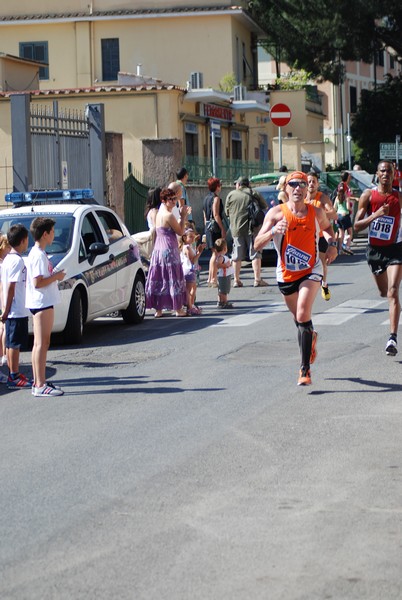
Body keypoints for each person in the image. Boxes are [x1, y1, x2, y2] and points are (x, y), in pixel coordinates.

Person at [254, 171, 338, 386]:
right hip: (286, 274)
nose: (298, 188)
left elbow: (328, 229)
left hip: (311, 270)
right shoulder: (275, 214)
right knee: (300, 321)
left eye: (302, 184)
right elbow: (256, 245)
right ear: (286, 189)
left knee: (302, 312)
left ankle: (304, 370)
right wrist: (273, 231)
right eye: (294, 184)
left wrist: (332, 245)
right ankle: (311, 337)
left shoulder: (316, 212)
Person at [354, 160, 402, 356]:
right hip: (375, 251)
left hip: (396, 249)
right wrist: (376, 215)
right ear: (377, 174)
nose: (386, 174)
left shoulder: (399, 196)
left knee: (393, 291)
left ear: (394, 174)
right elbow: (356, 226)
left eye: (389, 171)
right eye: (383, 171)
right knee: (383, 292)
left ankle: (392, 338)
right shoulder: (368, 195)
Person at [25, 217, 66, 396]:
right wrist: (56, 277)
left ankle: (38, 381)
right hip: (42, 303)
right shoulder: (38, 255)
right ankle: (40, 384)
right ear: (45, 234)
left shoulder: (38, 253)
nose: (54, 235)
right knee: (42, 343)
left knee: (39, 343)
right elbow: (38, 282)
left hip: (41, 302)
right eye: (52, 232)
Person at [145, 187, 190, 317]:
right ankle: (178, 309)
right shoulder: (168, 215)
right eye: (170, 199)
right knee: (172, 278)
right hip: (169, 250)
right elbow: (180, 232)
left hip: (158, 250)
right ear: (163, 200)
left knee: (160, 277)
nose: (173, 201)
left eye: (174, 198)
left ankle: (158, 310)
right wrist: (183, 216)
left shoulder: (158, 213)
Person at [225, 176, 268, 288]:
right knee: (255, 253)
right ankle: (257, 279)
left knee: (236, 255)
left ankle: (236, 280)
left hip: (236, 229)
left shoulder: (231, 195)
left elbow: (227, 212)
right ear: (247, 184)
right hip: (252, 228)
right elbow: (264, 206)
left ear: (239, 185)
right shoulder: (254, 193)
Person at [1, 226, 29, 387]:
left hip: (12, 309)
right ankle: (14, 375)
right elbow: (11, 287)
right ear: (23, 240)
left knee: (12, 343)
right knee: (14, 345)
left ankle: (14, 373)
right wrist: (6, 310)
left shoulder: (8, 260)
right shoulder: (17, 261)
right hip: (15, 310)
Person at [306, 171, 338, 300]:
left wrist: (319, 215)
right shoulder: (301, 198)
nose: (311, 184)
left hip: (320, 236)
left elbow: (333, 214)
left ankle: (324, 285)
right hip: (306, 236)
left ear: (318, 184)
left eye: (314, 181)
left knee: (322, 262)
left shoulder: (322, 197)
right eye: (309, 181)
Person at [203, 177, 226, 287]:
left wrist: (206, 228)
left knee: (213, 253)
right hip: (215, 228)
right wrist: (222, 228)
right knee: (215, 253)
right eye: (219, 184)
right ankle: (213, 279)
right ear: (217, 186)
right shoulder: (216, 199)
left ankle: (210, 278)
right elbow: (216, 214)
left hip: (208, 227)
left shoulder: (206, 198)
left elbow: (204, 215)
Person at [179, 229, 205, 315]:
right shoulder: (186, 248)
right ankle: (189, 307)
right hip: (188, 270)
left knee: (193, 288)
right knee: (189, 290)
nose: (192, 238)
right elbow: (193, 260)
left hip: (190, 270)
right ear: (184, 237)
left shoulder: (189, 247)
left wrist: (198, 252)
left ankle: (191, 305)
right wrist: (199, 253)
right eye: (190, 237)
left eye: (193, 237)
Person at [334, 183, 354, 255]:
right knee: (350, 232)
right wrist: (351, 209)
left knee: (341, 234)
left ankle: (339, 250)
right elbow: (348, 208)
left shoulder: (337, 198)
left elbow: (334, 208)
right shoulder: (347, 197)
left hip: (338, 216)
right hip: (345, 216)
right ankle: (347, 247)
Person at [214, 238, 234, 309]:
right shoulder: (221, 257)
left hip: (223, 275)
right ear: (225, 248)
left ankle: (220, 301)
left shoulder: (221, 257)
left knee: (221, 289)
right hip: (224, 276)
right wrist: (226, 265)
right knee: (224, 290)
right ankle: (225, 302)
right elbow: (218, 265)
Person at [0, 233, 11, 367]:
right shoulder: (2, 265)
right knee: (3, 328)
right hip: (2, 300)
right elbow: (2, 286)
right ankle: (3, 355)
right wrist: (4, 306)